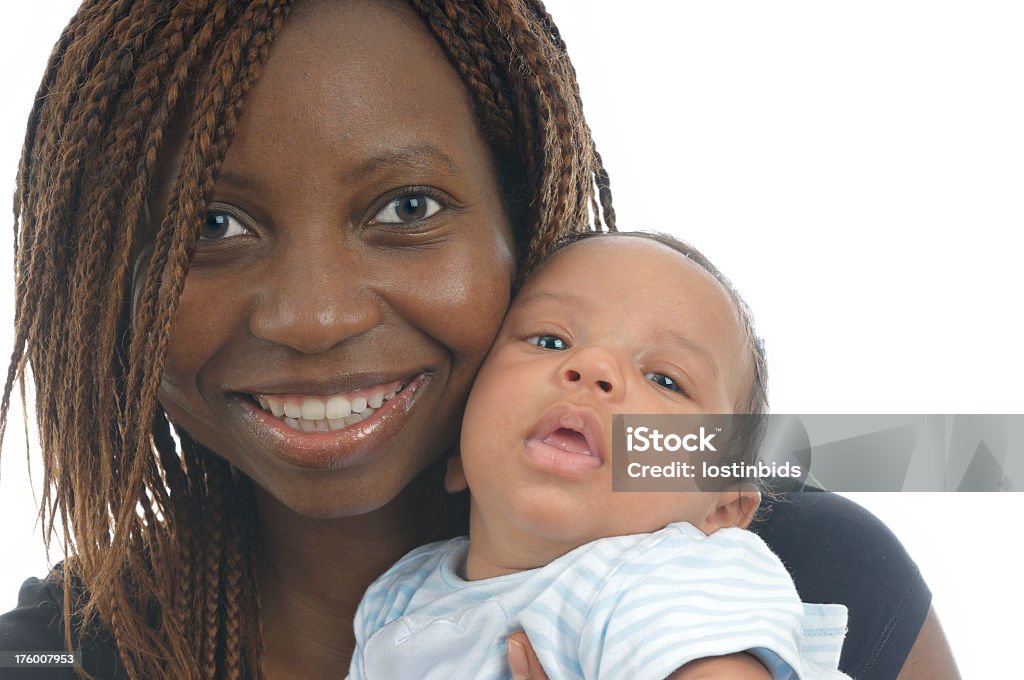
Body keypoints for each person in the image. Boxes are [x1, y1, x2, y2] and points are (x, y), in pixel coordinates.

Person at [0, 2, 956, 679]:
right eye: (209, 227)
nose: (313, 317)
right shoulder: (51, 659)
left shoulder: (789, 579)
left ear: (524, 226)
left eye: (407, 207)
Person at [350, 230, 850, 679]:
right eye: (550, 340)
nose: (592, 366)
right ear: (457, 450)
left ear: (719, 507)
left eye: (664, 380)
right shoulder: (395, 599)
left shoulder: (666, 574)